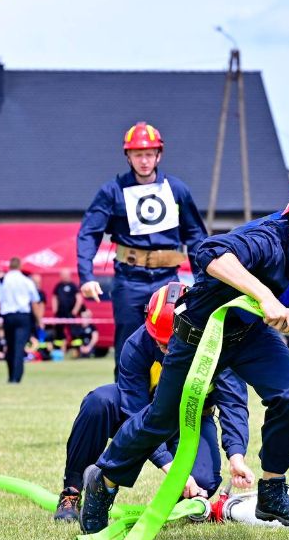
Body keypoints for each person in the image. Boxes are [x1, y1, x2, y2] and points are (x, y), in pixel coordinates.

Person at [80, 176, 289, 533]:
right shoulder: (267, 239)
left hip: (247, 334)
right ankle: (103, 480)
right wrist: (267, 298)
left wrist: (285, 315)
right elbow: (209, 252)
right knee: (162, 421)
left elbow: (284, 292)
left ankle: (272, 491)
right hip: (199, 333)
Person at [54, 283, 251, 522]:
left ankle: (176, 504)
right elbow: (135, 413)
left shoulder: (219, 345)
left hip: (190, 419)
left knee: (203, 483)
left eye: (173, 342)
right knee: (99, 402)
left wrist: (236, 456)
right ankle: (72, 491)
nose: (167, 350)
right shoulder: (136, 345)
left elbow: (233, 404)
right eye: (161, 342)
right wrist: (170, 467)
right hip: (143, 414)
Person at [77, 122, 208, 368]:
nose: (144, 161)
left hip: (168, 282)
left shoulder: (177, 190)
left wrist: (204, 281)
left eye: (149, 154)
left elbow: (195, 236)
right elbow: (88, 233)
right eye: (138, 155)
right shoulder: (111, 191)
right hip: (128, 281)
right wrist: (86, 276)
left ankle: (165, 394)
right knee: (128, 350)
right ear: (128, 157)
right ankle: (126, 395)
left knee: (171, 347)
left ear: (159, 155)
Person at [0, 258, 39, 384]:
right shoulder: (26, 280)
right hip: (23, 316)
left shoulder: (2, 281)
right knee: (19, 346)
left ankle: (11, 375)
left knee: (10, 346)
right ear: (20, 266)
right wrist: (39, 320)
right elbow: (35, 302)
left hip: (8, 317)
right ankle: (16, 377)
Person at [48, 268, 81, 352]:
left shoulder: (73, 286)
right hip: (60, 313)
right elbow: (54, 298)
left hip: (70, 313)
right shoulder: (58, 286)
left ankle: (76, 350)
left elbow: (79, 298)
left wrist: (75, 310)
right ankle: (58, 350)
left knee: (74, 332)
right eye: (63, 275)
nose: (64, 277)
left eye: (66, 275)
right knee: (59, 332)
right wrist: (55, 309)